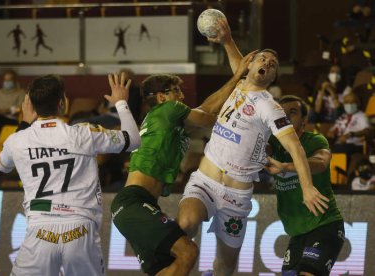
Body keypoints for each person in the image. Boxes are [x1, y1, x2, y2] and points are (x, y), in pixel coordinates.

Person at [176, 18, 330, 276]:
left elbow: (295, 147)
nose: (267, 63)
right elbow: (238, 62)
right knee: (186, 222)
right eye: (262, 59)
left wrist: (307, 188)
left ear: (273, 77)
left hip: (236, 197)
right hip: (205, 181)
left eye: (272, 65)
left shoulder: (269, 106)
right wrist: (226, 39)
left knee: (225, 266)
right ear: (251, 65)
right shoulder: (238, 83)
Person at [110, 52, 256, 276]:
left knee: (167, 266)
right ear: (161, 97)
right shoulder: (169, 110)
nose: (181, 95)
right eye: (175, 91)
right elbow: (208, 117)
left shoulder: (165, 119)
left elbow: (205, 109)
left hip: (137, 204)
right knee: (187, 252)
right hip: (134, 203)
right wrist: (238, 78)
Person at [0, 73, 140, 275]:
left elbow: (2, 166)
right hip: (81, 230)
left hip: (39, 230)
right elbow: (133, 140)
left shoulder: (17, 140)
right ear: (62, 103)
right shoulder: (84, 133)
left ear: (30, 105)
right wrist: (122, 103)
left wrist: (24, 124)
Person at [266, 95, 345, 275]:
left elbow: (320, 163)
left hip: (325, 225)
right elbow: (261, 150)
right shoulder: (274, 144)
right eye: (281, 114)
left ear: (304, 120)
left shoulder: (315, 140)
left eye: (292, 113)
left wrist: (285, 167)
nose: (285, 118)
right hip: (297, 233)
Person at [326, 92, 370, 156]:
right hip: (340, 144)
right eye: (347, 103)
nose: (349, 105)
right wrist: (331, 132)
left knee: (335, 149)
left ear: (357, 104)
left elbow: (367, 131)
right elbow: (332, 130)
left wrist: (351, 134)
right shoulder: (343, 117)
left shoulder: (362, 116)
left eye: (352, 103)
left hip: (356, 145)